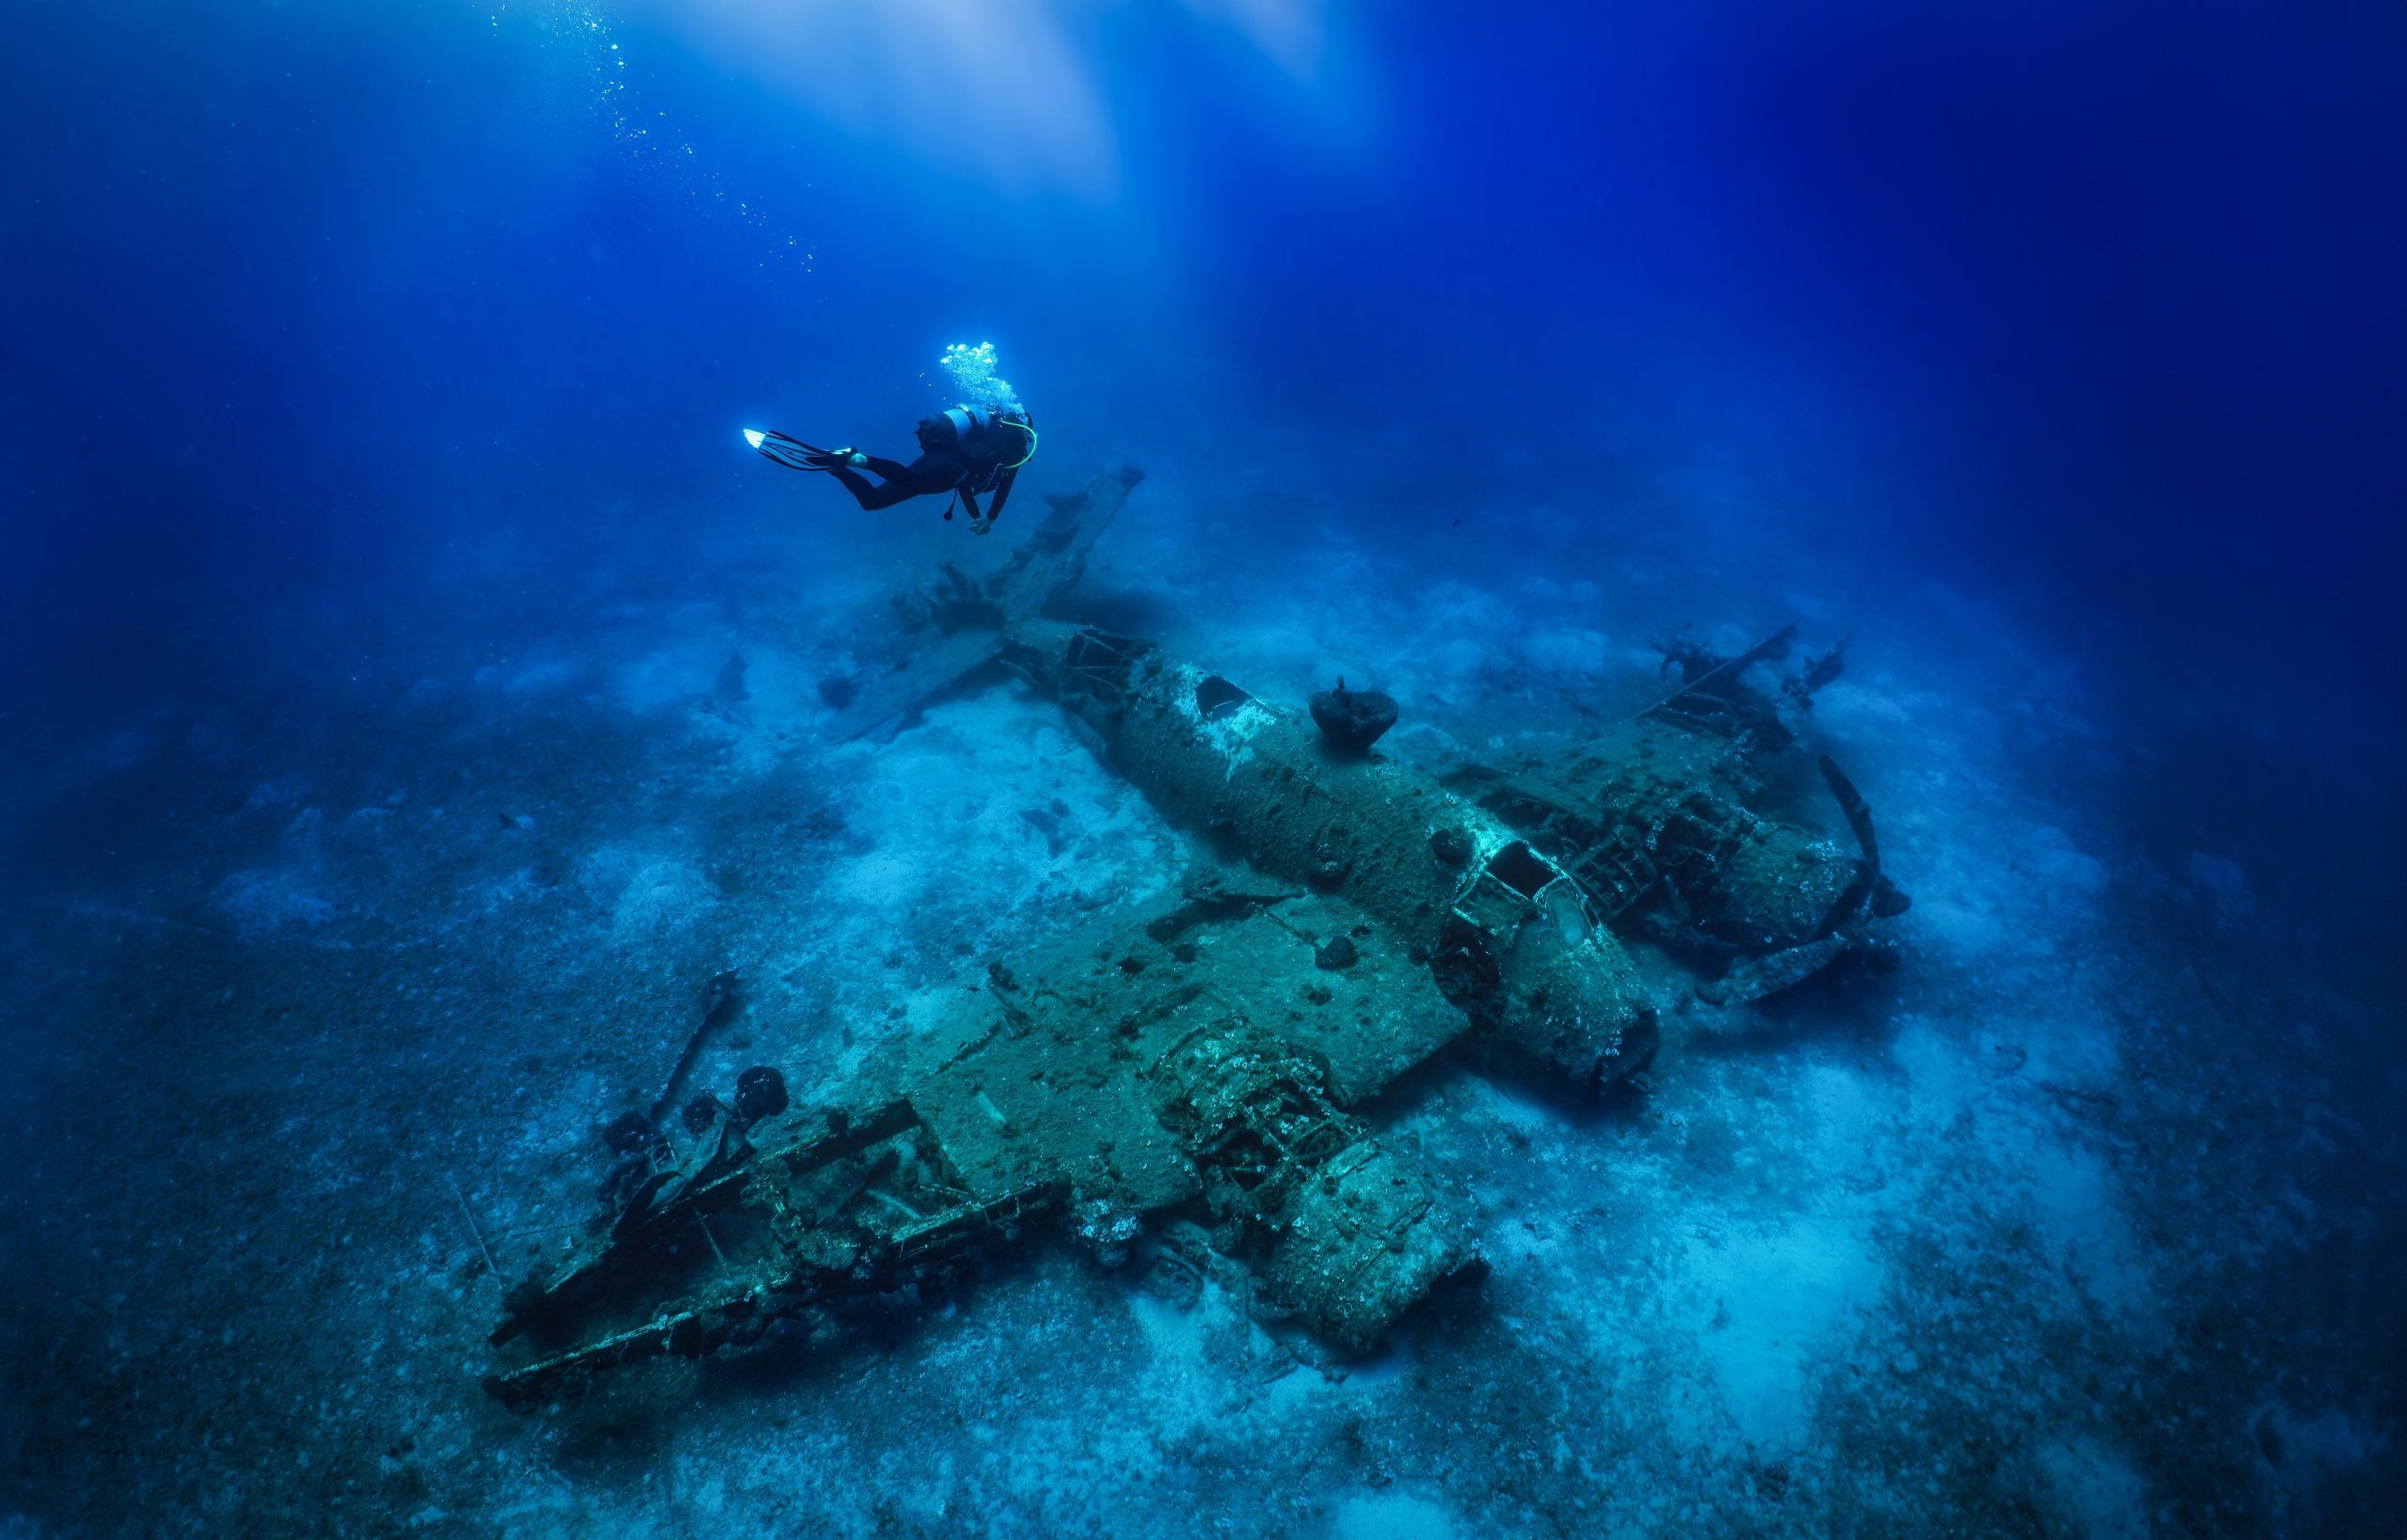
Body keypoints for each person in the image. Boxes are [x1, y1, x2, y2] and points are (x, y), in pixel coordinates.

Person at [745, 403, 1037, 535]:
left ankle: (837, 467)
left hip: (947, 464)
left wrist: (976, 516)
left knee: (873, 502)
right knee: (914, 481)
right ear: (1025, 433)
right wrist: (991, 518)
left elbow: (964, 484)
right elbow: (1003, 489)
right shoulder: (1014, 451)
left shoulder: (987, 441)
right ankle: (858, 459)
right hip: (950, 468)